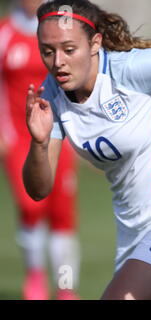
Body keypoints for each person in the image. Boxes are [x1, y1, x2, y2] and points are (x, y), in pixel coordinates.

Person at [22, 0, 151, 300]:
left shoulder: (130, 70)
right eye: (48, 51)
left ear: (95, 43)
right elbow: (39, 190)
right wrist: (38, 142)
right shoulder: (52, 93)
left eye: (69, 49)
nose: (58, 62)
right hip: (133, 234)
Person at [0, 0, 80, 300]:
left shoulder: (61, 31)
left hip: (60, 137)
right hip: (20, 140)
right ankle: (35, 277)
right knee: (32, 209)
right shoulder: (5, 33)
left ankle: (65, 287)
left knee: (63, 217)